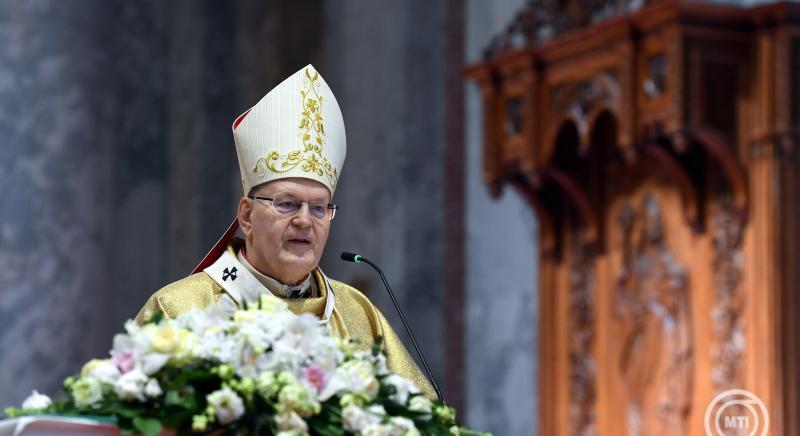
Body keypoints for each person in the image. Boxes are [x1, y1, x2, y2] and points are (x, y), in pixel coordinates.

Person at [135, 65, 435, 398]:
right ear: (247, 216)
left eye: (319, 207)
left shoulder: (358, 314)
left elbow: (422, 418)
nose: (305, 221)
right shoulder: (182, 310)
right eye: (288, 204)